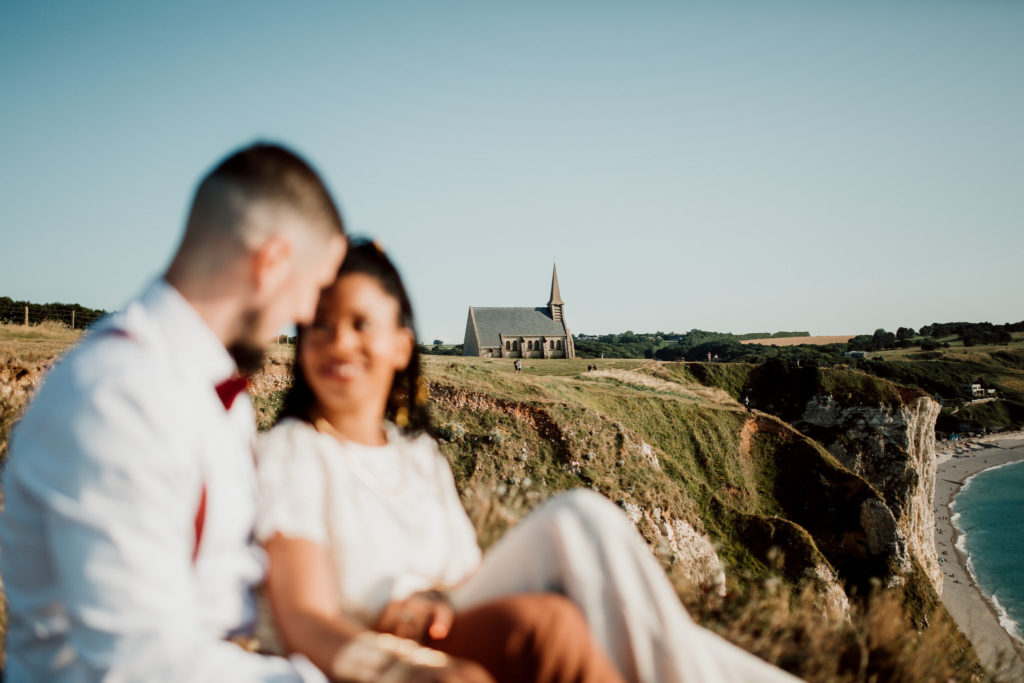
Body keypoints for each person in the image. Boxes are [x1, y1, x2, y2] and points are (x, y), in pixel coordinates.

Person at [256, 242, 800, 683]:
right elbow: (303, 616)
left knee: (578, 549)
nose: (339, 343)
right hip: (370, 643)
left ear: (402, 345)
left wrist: (434, 598)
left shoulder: (417, 456)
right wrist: (395, 669)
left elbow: (465, 576)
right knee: (574, 535)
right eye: (320, 326)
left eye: (360, 324)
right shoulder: (293, 451)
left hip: (442, 620)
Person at [0, 143, 347, 681]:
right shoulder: (118, 396)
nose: (305, 315)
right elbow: (139, 665)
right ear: (272, 262)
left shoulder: (210, 389)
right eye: (316, 289)